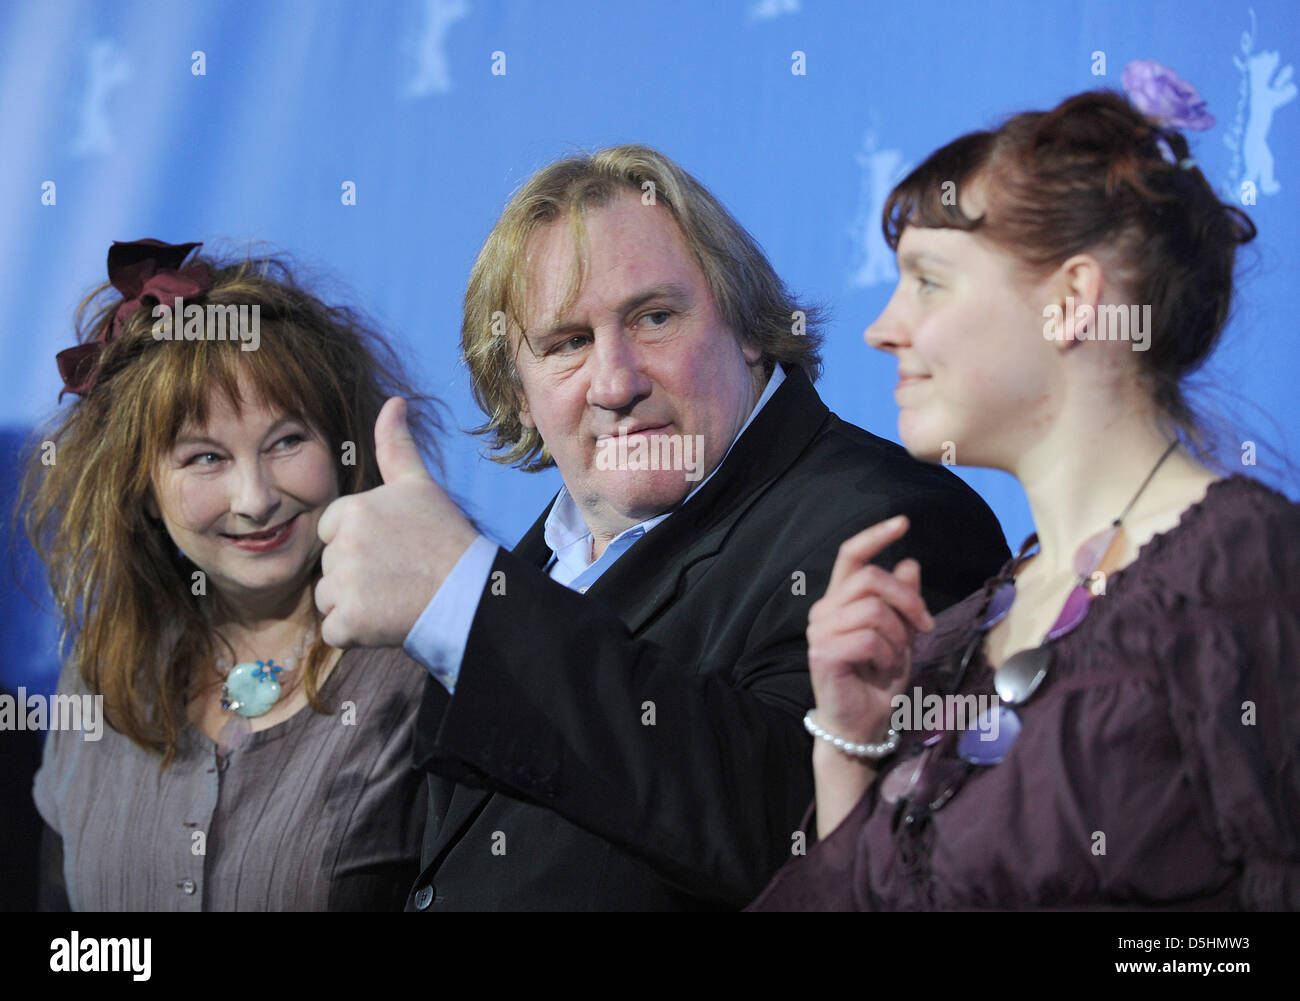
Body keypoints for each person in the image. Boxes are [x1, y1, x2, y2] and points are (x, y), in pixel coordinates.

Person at [313, 145, 1011, 910]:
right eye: (568, 343)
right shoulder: (533, 565)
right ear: (518, 394)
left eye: (653, 318)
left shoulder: (889, 522)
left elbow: (800, 833)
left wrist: (467, 603)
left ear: (748, 328)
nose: (616, 381)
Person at [750, 89, 1300, 911]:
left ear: (1074, 299)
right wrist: (849, 748)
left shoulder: (1244, 568)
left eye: (929, 283)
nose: (882, 328)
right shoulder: (964, 630)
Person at [25, 239, 434, 910]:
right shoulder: (100, 673)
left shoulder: (421, 678)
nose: (256, 497)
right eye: (206, 457)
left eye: (286, 442)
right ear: (140, 486)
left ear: (343, 444)